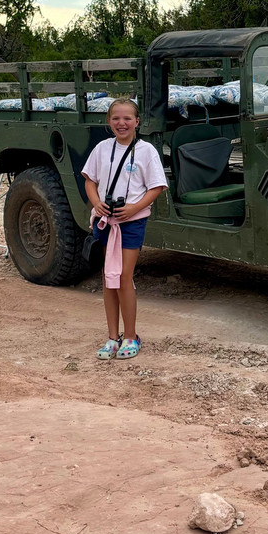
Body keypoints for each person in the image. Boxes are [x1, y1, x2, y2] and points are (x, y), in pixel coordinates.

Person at [81, 98, 167, 360]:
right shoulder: (101, 149)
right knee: (109, 276)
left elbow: (156, 187)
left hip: (131, 221)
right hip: (107, 221)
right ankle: (111, 337)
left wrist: (133, 208)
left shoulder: (146, 151)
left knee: (123, 276)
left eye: (127, 118)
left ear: (137, 122)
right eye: (116, 118)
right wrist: (97, 204)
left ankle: (131, 336)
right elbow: (89, 181)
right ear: (109, 122)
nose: (122, 123)